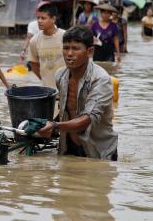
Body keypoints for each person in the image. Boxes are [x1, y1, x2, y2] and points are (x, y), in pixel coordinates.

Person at [38, 26, 118, 160]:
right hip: (68, 148)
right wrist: (45, 125)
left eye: (75, 48)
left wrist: (54, 126)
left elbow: (87, 119)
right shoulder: (60, 76)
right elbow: (66, 111)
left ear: (89, 51)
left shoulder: (101, 80)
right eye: (66, 48)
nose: (69, 53)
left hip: (98, 152)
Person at [28, 3, 66, 88]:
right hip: (48, 90)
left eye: (43, 18)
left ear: (53, 19)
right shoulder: (34, 41)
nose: (39, 21)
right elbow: (33, 63)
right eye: (38, 18)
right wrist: (44, 79)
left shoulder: (65, 37)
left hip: (67, 88)